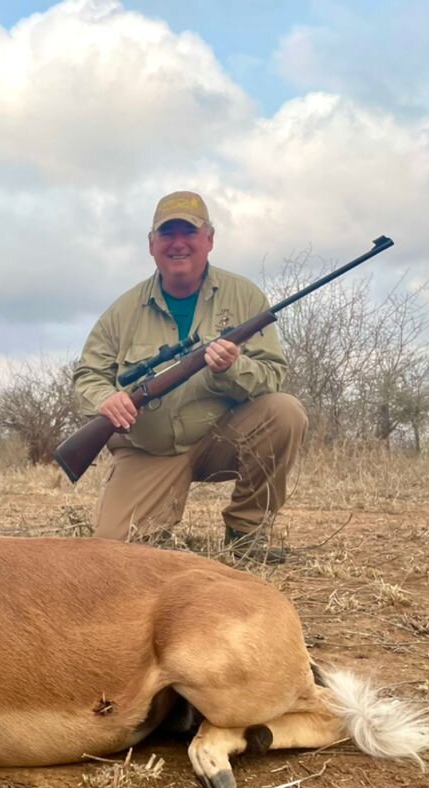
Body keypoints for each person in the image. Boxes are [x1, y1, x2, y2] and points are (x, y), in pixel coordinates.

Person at [73, 190, 306, 562]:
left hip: (220, 437)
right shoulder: (123, 310)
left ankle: (245, 535)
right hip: (150, 451)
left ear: (209, 240)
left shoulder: (244, 296)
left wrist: (233, 368)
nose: (178, 243)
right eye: (167, 234)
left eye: (190, 232)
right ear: (151, 245)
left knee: (285, 411)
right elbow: (88, 374)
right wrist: (105, 398)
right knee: (112, 558)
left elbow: (273, 375)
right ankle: (155, 517)